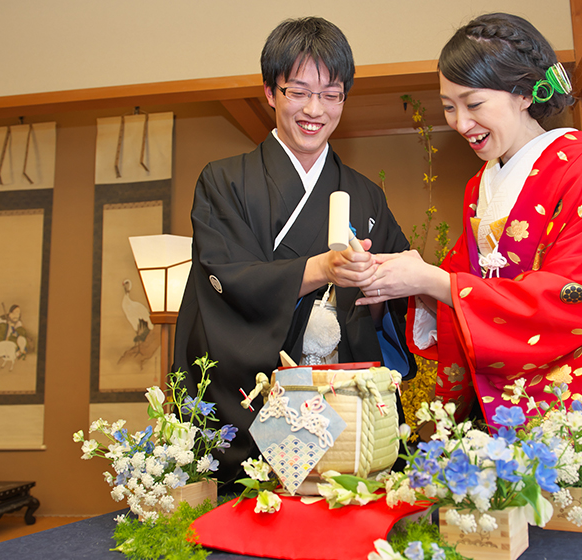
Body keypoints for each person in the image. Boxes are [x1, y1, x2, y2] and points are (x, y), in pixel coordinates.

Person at [357, 13, 582, 543]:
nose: (461, 123)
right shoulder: (481, 185)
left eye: (474, 104)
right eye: (449, 107)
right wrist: (409, 279)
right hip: (521, 365)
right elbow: (463, 276)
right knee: (518, 519)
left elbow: (576, 292)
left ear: (524, 94)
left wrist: (436, 283)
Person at [173, 16, 415, 492]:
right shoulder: (224, 181)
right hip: (263, 394)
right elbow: (227, 278)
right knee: (266, 509)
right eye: (298, 92)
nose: (314, 109)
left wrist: (378, 282)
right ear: (270, 92)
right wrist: (323, 267)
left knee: (346, 505)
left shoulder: (367, 195)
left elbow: (396, 305)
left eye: (331, 94)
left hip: (344, 399)